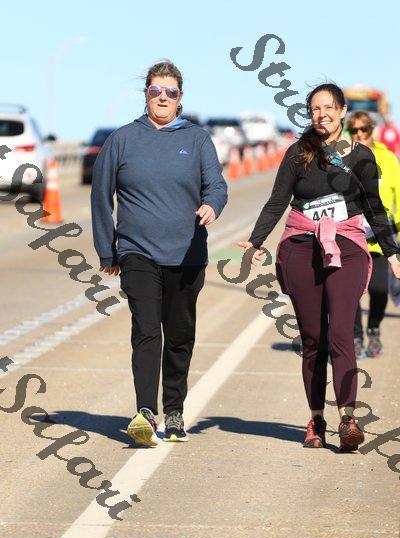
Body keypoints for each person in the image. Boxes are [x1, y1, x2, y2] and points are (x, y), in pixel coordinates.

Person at [237, 83, 400, 451]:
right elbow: (277, 201)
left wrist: (392, 252)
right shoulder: (299, 153)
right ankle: (316, 419)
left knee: (341, 331)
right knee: (313, 340)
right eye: (315, 109)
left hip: (347, 249)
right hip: (301, 249)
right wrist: (256, 241)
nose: (321, 114)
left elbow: (374, 207)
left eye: (328, 107)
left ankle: (347, 419)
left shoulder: (361, 156)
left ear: (341, 111)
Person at [91, 60, 227, 446]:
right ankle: (146, 413)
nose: (163, 97)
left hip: (187, 255)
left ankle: (175, 411)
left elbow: (216, 186)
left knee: (180, 335)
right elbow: (101, 194)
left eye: (170, 92)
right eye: (155, 91)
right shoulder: (122, 139)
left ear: (180, 97)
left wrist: (212, 205)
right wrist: (107, 250)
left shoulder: (197, 139)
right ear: (146, 95)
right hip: (138, 252)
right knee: (147, 330)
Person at [348, 111, 400, 358]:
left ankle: (374, 329)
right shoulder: (343, 158)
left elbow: (398, 193)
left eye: (364, 129)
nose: (359, 134)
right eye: (354, 130)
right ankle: (356, 336)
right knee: (352, 291)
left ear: (372, 130)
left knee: (379, 289)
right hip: (352, 235)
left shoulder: (387, 158)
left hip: (380, 237)